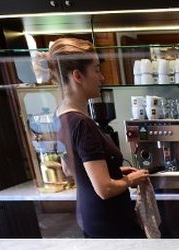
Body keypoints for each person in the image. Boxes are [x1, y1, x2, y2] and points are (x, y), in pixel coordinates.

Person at [49, 38, 148, 238]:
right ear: (78, 76)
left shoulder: (60, 115)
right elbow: (104, 189)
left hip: (90, 216)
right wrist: (131, 179)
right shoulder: (82, 124)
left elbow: (70, 169)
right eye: (96, 70)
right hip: (110, 222)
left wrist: (114, 170)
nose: (102, 77)